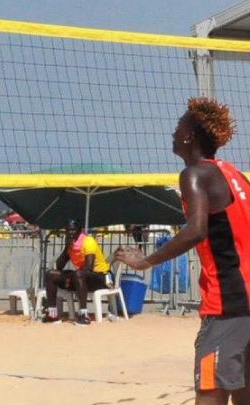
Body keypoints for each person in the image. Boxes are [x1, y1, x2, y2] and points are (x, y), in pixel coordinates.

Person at [115, 98, 250, 405]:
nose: (173, 132)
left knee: (209, 394)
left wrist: (144, 260)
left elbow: (196, 230)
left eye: (178, 126)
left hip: (227, 306)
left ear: (189, 135)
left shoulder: (194, 174)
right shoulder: (235, 174)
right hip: (246, 303)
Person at [42, 220, 112, 325]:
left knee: (78, 274)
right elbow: (59, 266)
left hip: (100, 277)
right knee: (51, 274)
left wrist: (72, 278)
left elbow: (89, 267)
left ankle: (83, 315)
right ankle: (52, 314)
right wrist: (67, 248)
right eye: (68, 230)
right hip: (81, 278)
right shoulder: (71, 244)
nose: (70, 232)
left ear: (79, 230)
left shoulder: (88, 241)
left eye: (73, 230)